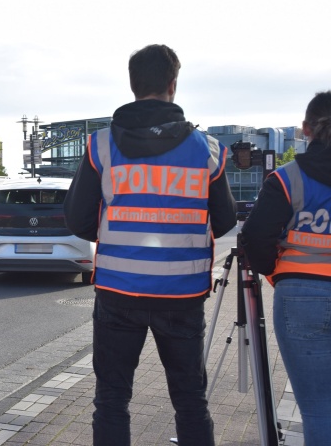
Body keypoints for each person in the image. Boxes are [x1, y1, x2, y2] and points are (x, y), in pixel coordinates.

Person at [64, 44, 236, 446]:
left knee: (111, 399)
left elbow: (77, 219)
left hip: (118, 293)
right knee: (191, 401)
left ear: (132, 84)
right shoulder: (206, 150)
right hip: (183, 294)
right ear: (173, 85)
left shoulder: (101, 147)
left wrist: (119, 234)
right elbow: (225, 220)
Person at [241, 91, 331, 445]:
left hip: (301, 297)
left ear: (305, 129)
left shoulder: (287, 178)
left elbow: (255, 237)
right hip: (301, 294)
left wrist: (279, 273)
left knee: (319, 409)